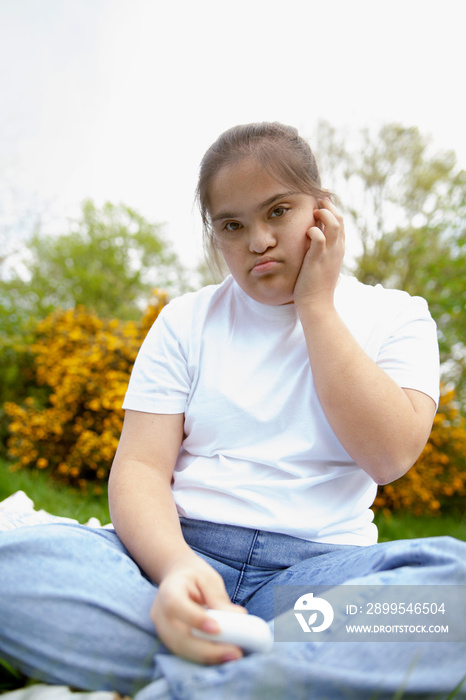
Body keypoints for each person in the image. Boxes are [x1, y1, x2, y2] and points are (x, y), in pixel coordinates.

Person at [0, 122, 465, 700]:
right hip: (180, 554)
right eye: (233, 225)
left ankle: (177, 678)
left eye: (278, 211)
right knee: (9, 560)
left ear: (323, 212)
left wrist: (316, 304)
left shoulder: (397, 316)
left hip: (316, 579)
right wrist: (175, 572)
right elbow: (142, 469)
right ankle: (264, 669)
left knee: (454, 595)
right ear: (215, 235)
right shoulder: (184, 321)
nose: (259, 240)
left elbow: (389, 455)